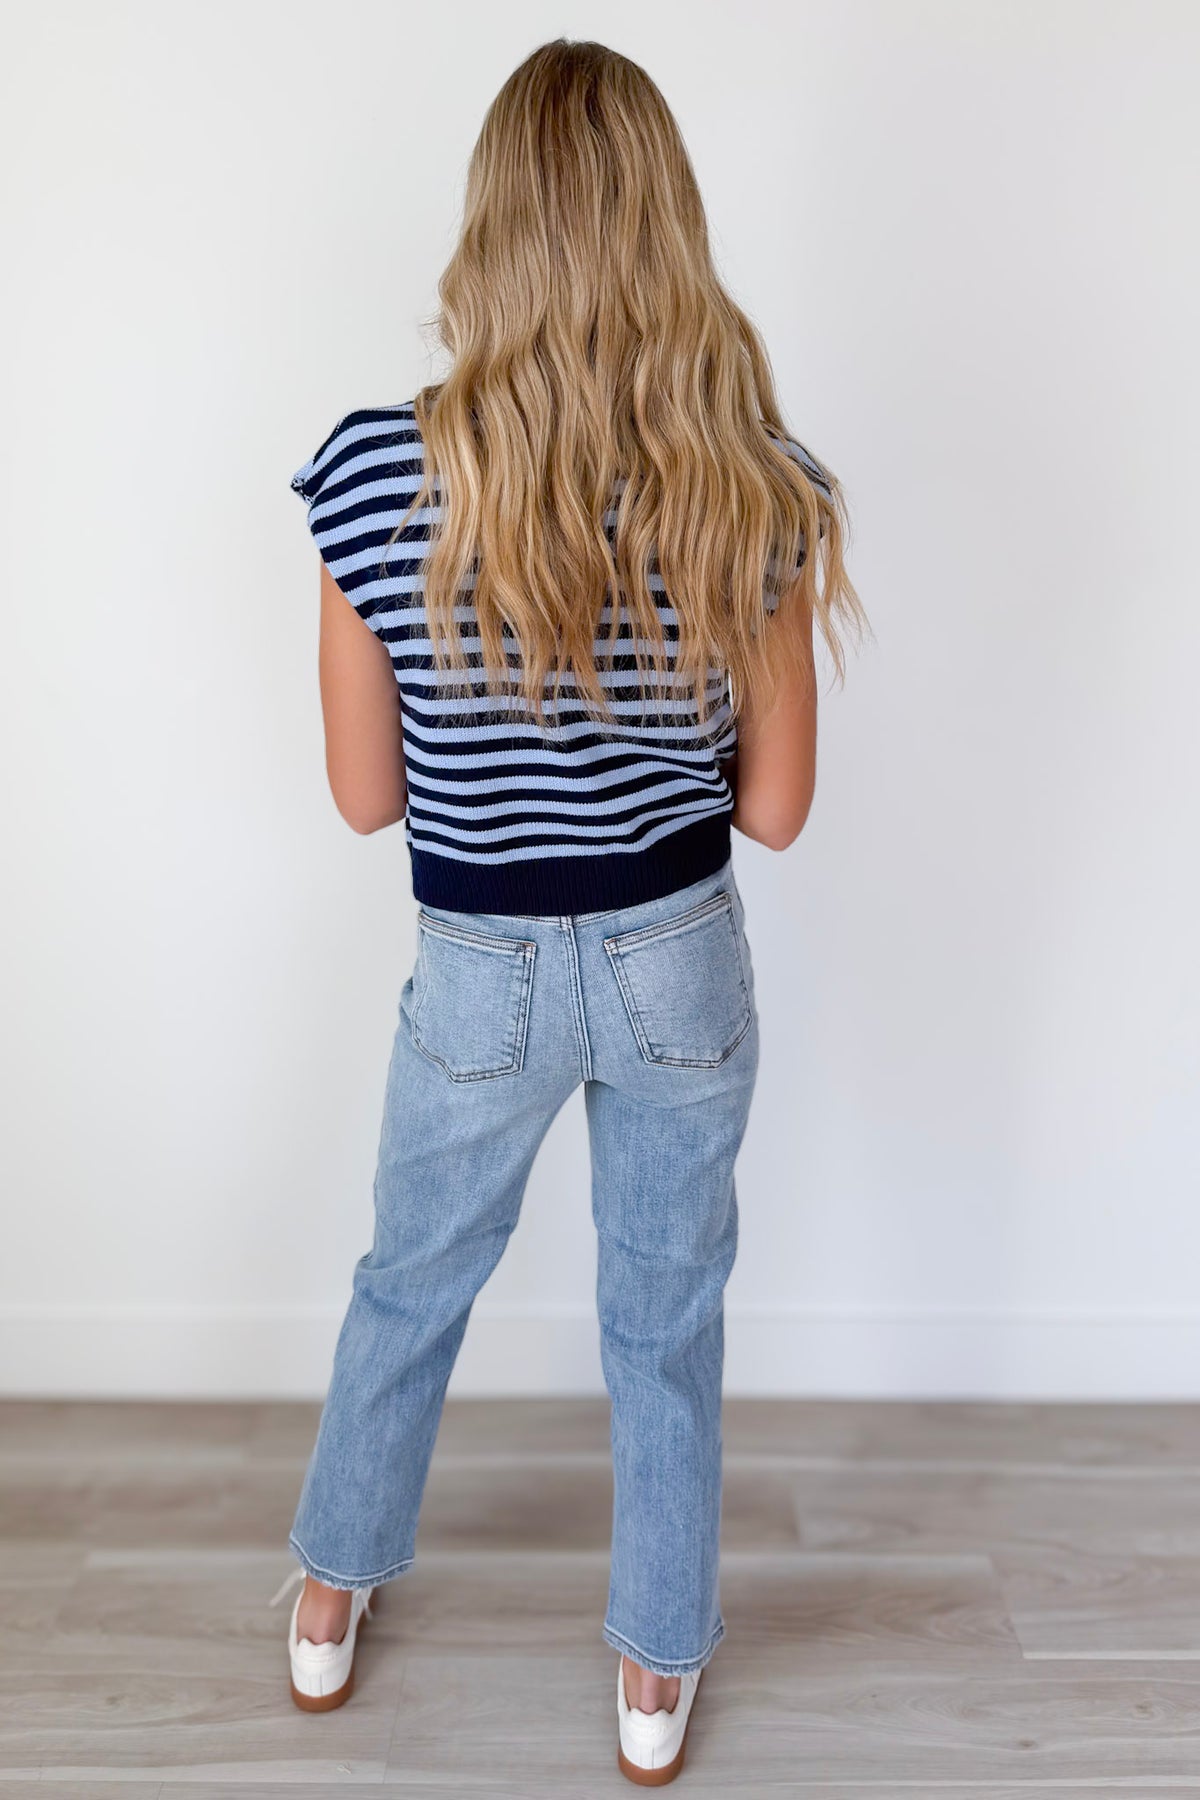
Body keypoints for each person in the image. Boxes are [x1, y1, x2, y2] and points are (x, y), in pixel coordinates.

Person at [276, 36, 863, 1786]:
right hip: (678, 955)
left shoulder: (374, 478)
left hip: (478, 969)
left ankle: (329, 1595)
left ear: (494, 232)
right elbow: (776, 811)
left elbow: (366, 796)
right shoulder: (753, 486)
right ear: (668, 231)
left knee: (409, 1282)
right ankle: (656, 1674)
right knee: (665, 1321)